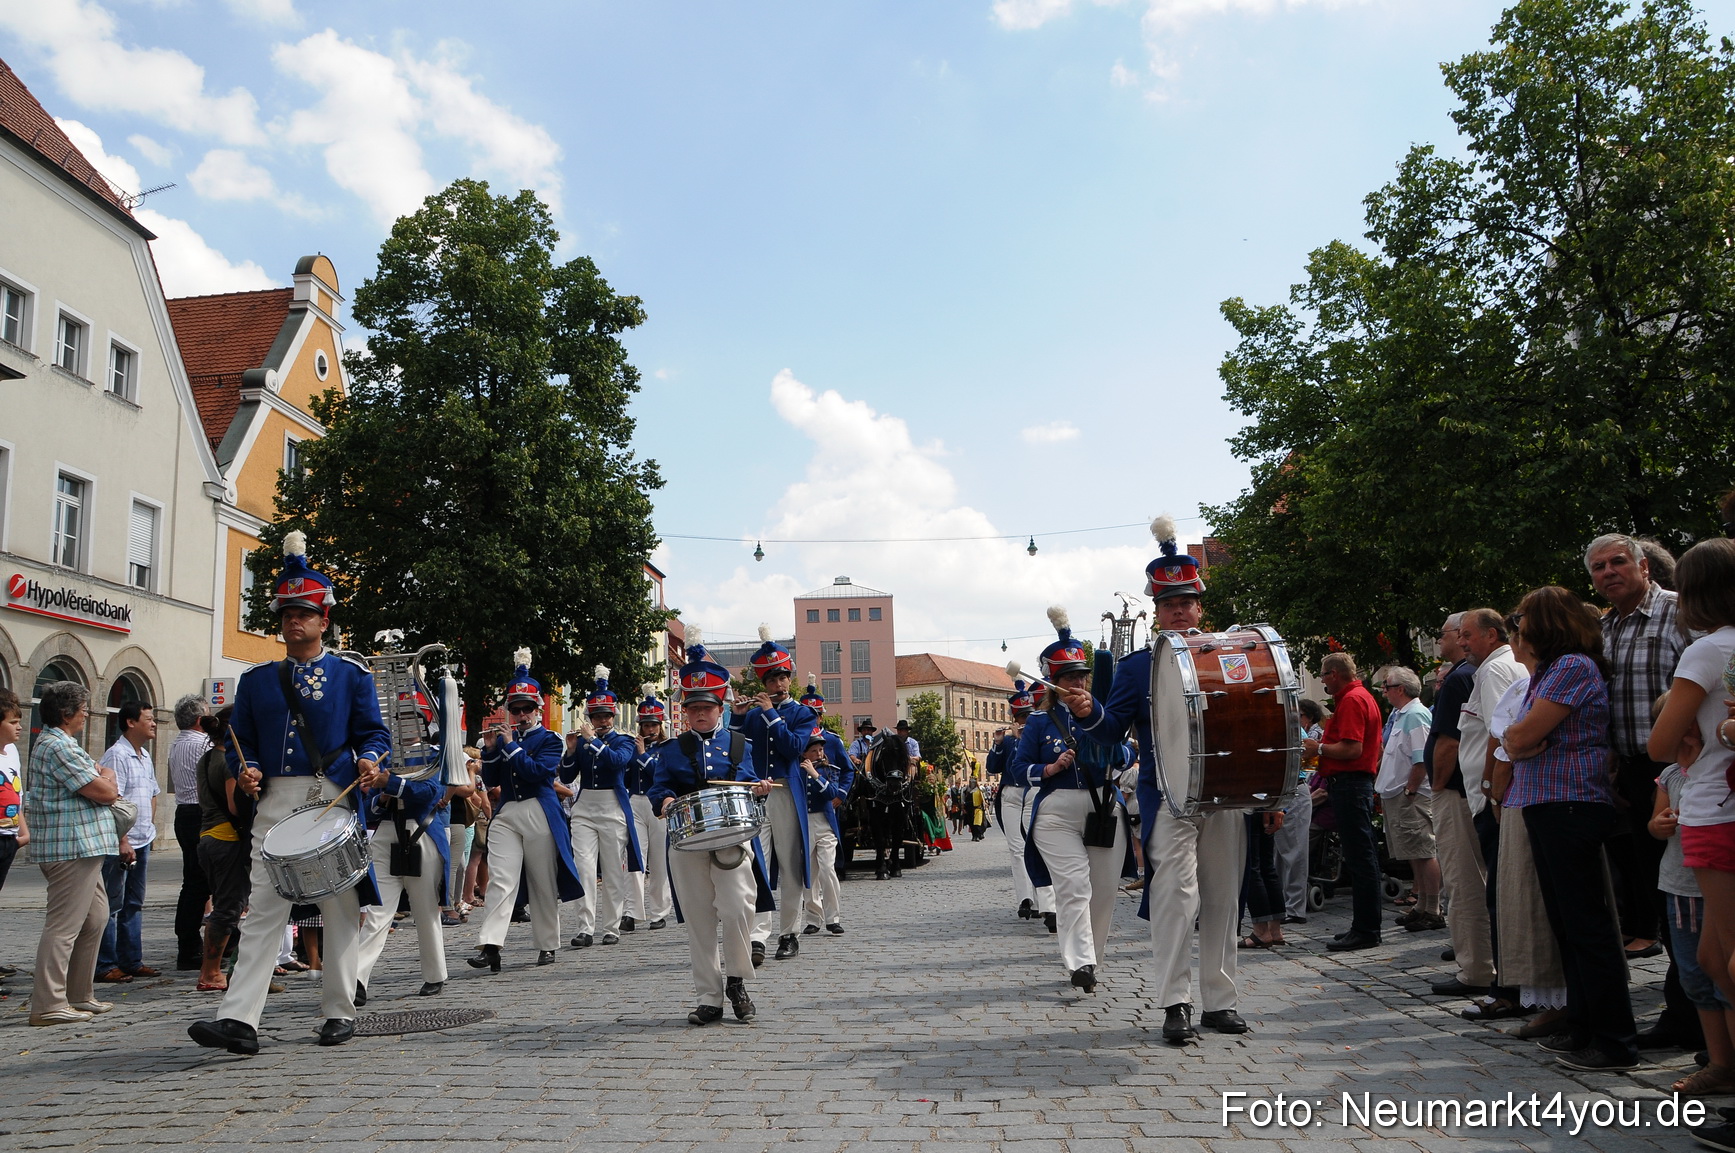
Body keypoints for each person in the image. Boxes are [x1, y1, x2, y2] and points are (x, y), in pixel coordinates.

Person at [188, 532, 392, 1055]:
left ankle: (339, 1010)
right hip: (275, 801)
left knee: (340, 907)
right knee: (264, 906)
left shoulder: (350, 675)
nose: (293, 622)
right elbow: (243, 742)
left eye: (304, 614)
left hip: (331, 797)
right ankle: (239, 1020)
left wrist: (370, 759)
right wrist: (248, 769)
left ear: (324, 619)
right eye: (286, 614)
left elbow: (374, 733)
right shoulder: (256, 681)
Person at [1074, 519, 1258, 1040]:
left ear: (1200, 608)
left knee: (1223, 899)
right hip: (1169, 796)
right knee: (1177, 897)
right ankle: (1176, 1003)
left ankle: (1220, 1002)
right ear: (1157, 612)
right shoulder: (1137, 668)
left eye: (1187, 603)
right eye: (1169, 604)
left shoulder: (1227, 656)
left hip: (1224, 793)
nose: (1179, 611)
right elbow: (1112, 729)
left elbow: (1253, 722)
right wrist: (1090, 713)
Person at [1502, 585, 1633, 1073]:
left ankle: (1615, 1040)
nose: (1518, 625)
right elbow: (1513, 740)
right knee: (1567, 924)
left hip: (1570, 801)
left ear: (1545, 621)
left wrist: (1519, 741)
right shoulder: (1550, 670)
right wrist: (1518, 741)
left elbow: (1520, 734)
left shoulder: (1572, 666)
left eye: (1523, 616)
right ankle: (1583, 1024)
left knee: (1586, 925)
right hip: (1548, 801)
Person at [648, 629, 774, 1025]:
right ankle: (709, 998)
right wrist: (664, 801)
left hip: (731, 835)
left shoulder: (739, 745)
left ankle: (736, 980)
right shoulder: (671, 750)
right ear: (685, 711)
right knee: (700, 920)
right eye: (693, 708)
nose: (699, 714)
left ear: (720, 707)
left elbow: (748, 783)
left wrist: (759, 790)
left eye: (707, 707)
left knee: (738, 909)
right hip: (686, 839)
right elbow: (659, 787)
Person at [1648, 539, 1735, 1095]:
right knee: (1709, 955)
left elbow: (1660, 743)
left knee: (1726, 954)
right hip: (1720, 804)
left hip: (1713, 808)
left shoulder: (1707, 650)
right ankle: (1724, 1065)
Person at [1021, 604, 1133, 999]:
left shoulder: (1104, 713)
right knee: (1074, 886)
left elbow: (1128, 753)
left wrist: (1115, 753)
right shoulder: (1039, 722)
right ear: (1054, 683)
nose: (1079, 682)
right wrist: (1049, 768)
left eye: (1082, 676)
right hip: (1056, 812)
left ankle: (1091, 959)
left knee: (1102, 892)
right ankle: (1079, 962)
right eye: (1070, 677)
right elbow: (1018, 769)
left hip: (1103, 806)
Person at [1589, 533, 1687, 981]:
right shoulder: (1605, 628)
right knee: (1654, 882)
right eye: (1599, 567)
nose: (1609, 572)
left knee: (1688, 882)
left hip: (1680, 766)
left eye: (1618, 562)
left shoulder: (1678, 611)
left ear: (1644, 567)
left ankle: (1693, 992)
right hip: (1632, 771)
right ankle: (1681, 984)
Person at [471, 650, 583, 971]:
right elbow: (492, 780)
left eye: (527, 708)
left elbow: (537, 773)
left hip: (540, 810)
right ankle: (491, 944)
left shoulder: (551, 739)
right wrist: (490, 751)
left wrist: (509, 746)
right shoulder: (503, 740)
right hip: (507, 812)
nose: (521, 714)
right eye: (515, 709)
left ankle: (547, 943)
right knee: (501, 879)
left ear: (538, 709)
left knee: (541, 880)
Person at [27, 680, 122, 1026]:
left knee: (96, 917)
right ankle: (48, 1003)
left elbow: (102, 779)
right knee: (64, 926)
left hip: (83, 845)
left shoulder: (63, 744)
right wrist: (108, 777)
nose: (86, 716)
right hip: (70, 845)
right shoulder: (58, 746)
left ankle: (78, 993)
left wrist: (105, 776)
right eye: (83, 710)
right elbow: (105, 791)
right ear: (67, 714)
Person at [355, 688, 451, 1001]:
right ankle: (355, 979)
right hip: (386, 832)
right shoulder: (383, 757)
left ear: (422, 723)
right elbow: (367, 804)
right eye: (399, 719)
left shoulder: (434, 755)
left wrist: (392, 783)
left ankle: (434, 974)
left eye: (411, 718)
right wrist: (381, 797)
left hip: (420, 832)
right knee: (377, 911)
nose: (405, 724)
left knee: (425, 910)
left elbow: (431, 793)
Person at [734, 625, 819, 964]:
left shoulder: (803, 712)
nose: (779, 684)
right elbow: (735, 751)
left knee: (789, 865)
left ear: (789, 678)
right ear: (764, 683)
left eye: (783, 677)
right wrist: (737, 719)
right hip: (757, 793)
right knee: (755, 862)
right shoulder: (753, 714)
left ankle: (789, 934)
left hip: (785, 792)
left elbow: (794, 747)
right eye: (771, 680)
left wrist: (770, 713)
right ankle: (758, 936)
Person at [1425, 614, 1497, 999]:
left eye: (1449, 634)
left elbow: (1449, 741)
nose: (1445, 640)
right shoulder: (1474, 673)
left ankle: (1476, 968)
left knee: (1463, 879)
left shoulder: (1460, 678)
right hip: (1470, 790)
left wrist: (1438, 784)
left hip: (1455, 791)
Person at [560, 666, 642, 949]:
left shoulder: (624, 741)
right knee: (583, 868)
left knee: (612, 870)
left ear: (613, 716)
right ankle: (585, 927)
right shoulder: (583, 743)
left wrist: (593, 741)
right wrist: (571, 750)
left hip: (612, 807)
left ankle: (611, 926)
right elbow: (567, 776)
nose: (602, 720)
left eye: (606, 716)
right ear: (590, 717)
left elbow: (617, 762)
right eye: (597, 716)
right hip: (585, 807)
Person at [1308, 652, 1384, 952]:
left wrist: (1318, 748)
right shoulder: (1361, 697)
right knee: (1361, 856)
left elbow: (1352, 749)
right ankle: (1364, 926)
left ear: (1335, 674)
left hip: (1350, 784)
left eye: (1323, 675)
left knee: (1360, 857)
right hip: (1354, 784)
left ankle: (1366, 929)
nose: (1323, 681)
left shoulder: (1352, 700)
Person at [95, 700, 161, 983]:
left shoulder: (144, 755)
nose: (153, 723)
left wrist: (149, 826)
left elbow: (153, 793)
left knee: (134, 902)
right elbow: (113, 799)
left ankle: (132, 959)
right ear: (131, 722)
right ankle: (105, 963)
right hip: (121, 843)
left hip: (143, 838)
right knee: (112, 903)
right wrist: (123, 839)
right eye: (148, 718)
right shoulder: (116, 755)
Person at [1375, 666, 1440, 931]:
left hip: (1410, 796)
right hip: (1399, 795)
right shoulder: (1402, 714)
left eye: (1387, 686)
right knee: (1414, 852)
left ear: (1400, 689)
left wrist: (1411, 790)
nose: (1384, 691)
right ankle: (1422, 905)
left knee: (1424, 851)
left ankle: (1433, 909)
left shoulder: (1415, 714)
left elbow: (1421, 758)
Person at [988, 684, 1055, 927]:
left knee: (1036, 844)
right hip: (1011, 795)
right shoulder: (1007, 742)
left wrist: (1021, 740)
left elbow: (1031, 764)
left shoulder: (1038, 736)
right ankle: (1026, 899)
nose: (1026, 721)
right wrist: (998, 744)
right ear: (1014, 719)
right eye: (1022, 717)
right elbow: (993, 768)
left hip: (1033, 792)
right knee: (1016, 849)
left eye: (1029, 715)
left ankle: (1045, 902)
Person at [194, 708, 250, 993]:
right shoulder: (229, 761)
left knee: (224, 906)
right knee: (228, 909)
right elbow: (233, 806)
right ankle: (211, 973)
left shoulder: (206, 758)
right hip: (227, 839)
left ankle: (217, 970)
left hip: (208, 836)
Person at [797, 676, 854, 934]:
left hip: (826, 812)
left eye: (815, 715)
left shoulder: (831, 740)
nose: (812, 719)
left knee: (827, 869)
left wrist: (840, 794)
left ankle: (833, 917)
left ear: (821, 716)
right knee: (809, 872)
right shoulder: (796, 740)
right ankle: (813, 917)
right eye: (807, 715)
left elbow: (847, 771)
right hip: (804, 817)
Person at [167, 693, 211, 972]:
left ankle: (188, 943)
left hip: (184, 812)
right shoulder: (202, 744)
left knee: (193, 882)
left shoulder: (177, 744)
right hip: (200, 813)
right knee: (201, 884)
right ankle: (191, 946)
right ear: (199, 720)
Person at [626, 685, 675, 932]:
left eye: (654, 725)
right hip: (635, 801)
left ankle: (659, 911)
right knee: (635, 857)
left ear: (660, 725)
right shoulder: (632, 747)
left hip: (658, 803)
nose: (651, 730)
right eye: (646, 725)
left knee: (658, 859)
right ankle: (632, 911)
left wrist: (643, 755)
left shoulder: (667, 748)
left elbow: (660, 774)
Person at [1273, 699, 1320, 923]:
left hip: (1294, 790)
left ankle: (1294, 908)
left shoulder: (1293, 729)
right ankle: (1283, 904)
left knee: (1294, 851)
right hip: (1286, 791)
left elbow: (1310, 764)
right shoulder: (1286, 726)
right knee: (1281, 853)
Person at [0, 688, 29, 979]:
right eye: (12, 722)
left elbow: (16, 793)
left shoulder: (12, 753)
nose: (19, 727)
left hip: (9, 837)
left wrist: (23, 832)